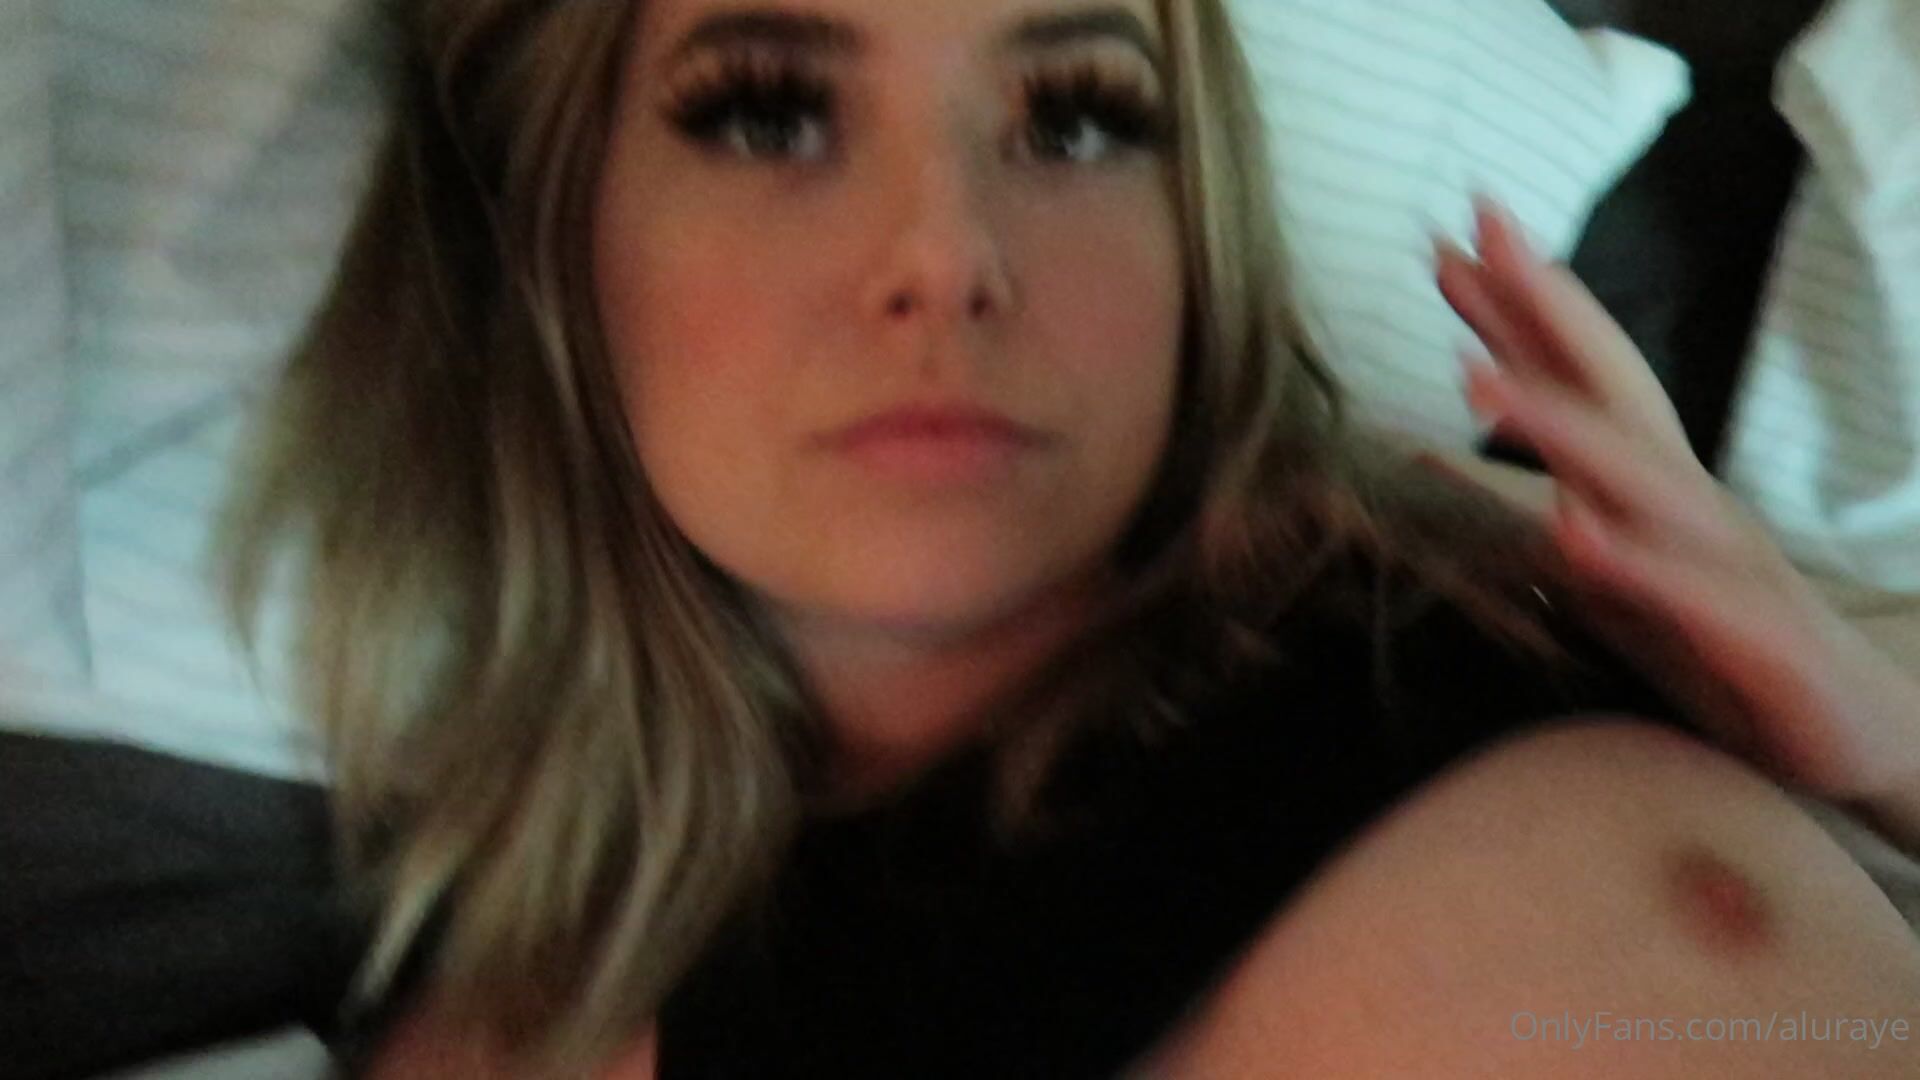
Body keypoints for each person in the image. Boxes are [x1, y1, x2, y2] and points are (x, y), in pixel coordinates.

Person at [216, 0, 1920, 1075]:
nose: (945, 255)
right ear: (553, 241)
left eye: (1078, 118)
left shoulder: (1515, 573)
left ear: (1194, 237)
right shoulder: (517, 1009)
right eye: (767, 111)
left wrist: (1890, 755)